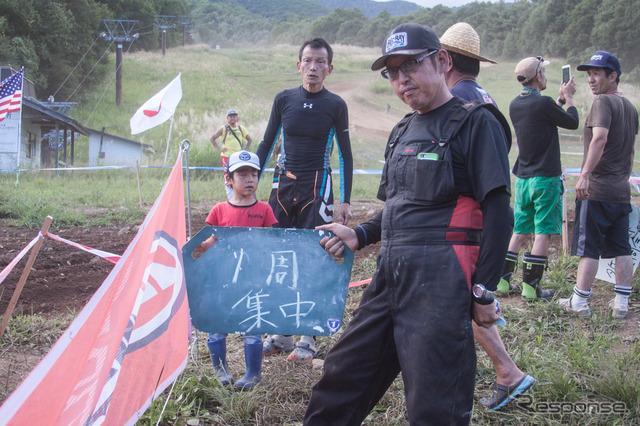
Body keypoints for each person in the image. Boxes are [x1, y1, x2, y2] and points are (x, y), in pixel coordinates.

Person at [304, 23, 511, 424]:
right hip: (390, 276)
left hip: (441, 282)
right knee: (341, 379)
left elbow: (500, 211)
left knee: (434, 405)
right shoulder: (402, 130)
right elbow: (400, 207)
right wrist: (360, 233)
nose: (402, 79)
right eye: (392, 72)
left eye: (411, 65)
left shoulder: (476, 122)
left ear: (443, 61)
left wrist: (484, 291)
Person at [440, 21, 534, 412]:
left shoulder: (458, 100)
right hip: (478, 210)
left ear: (444, 61)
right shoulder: (485, 96)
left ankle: (507, 372)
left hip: (463, 212)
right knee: (464, 300)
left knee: (465, 298)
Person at [256, 37, 354, 362]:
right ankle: (282, 333)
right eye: (308, 61)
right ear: (298, 65)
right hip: (282, 185)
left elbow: (346, 156)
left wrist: (345, 200)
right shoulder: (283, 100)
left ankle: (307, 339)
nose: (313, 67)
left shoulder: (336, 105)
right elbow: (267, 142)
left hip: (318, 187)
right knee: (280, 257)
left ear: (329, 68)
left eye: (320, 62)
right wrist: (247, 186)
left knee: (314, 259)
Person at [559, 51, 638, 319]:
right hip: (620, 190)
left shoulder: (602, 103)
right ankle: (621, 304)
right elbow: (628, 149)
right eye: (589, 74)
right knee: (621, 247)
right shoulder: (629, 107)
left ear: (613, 76)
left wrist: (585, 175)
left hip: (598, 189)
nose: (591, 79)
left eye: (597, 74)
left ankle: (579, 301)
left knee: (588, 246)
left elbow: (600, 139)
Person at [500, 57, 579, 301]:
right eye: (543, 71)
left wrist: (558, 101)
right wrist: (570, 99)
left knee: (520, 230)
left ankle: (501, 283)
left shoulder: (516, 105)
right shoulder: (543, 104)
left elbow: (543, 116)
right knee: (543, 231)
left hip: (523, 179)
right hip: (545, 179)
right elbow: (573, 123)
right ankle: (531, 288)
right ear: (538, 76)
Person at [198, 150, 278, 390]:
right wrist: (198, 247)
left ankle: (253, 373)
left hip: (254, 280)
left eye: (254, 174)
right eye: (242, 174)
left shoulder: (265, 210)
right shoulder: (219, 211)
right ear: (228, 179)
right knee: (217, 324)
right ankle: (220, 370)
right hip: (223, 280)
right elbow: (209, 243)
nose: (250, 179)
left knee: (253, 325)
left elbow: (274, 243)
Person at [209, 109, 253, 199]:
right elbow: (212, 138)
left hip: (237, 157)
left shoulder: (241, 128)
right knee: (228, 175)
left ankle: (239, 193)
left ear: (237, 118)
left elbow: (249, 139)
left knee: (239, 174)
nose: (232, 118)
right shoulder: (224, 128)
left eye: (234, 116)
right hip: (226, 156)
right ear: (227, 118)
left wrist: (245, 149)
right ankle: (230, 196)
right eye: (230, 117)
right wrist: (219, 148)